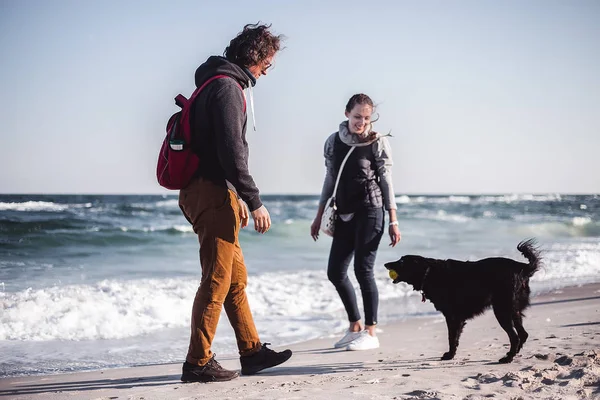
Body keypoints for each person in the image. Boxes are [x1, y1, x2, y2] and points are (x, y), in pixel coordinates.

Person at [178, 23, 292, 383]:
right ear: (254, 57)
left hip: (212, 190)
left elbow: (218, 149)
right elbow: (230, 151)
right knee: (216, 278)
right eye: (267, 64)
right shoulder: (227, 88)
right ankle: (198, 362)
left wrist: (235, 195)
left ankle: (252, 352)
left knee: (235, 278)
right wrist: (253, 199)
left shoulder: (217, 83)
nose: (266, 72)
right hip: (211, 191)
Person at [310, 93, 401, 351]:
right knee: (335, 272)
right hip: (344, 212)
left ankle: (371, 332)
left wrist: (393, 220)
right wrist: (318, 217)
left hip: (371, 211)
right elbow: (330, 180)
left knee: (363, 270)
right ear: (347, 113)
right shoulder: (333, 142)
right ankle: (355, 327)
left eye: (366, 118)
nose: (361, 122)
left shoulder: (377, 142)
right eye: (357, 116)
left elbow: (386, 180)